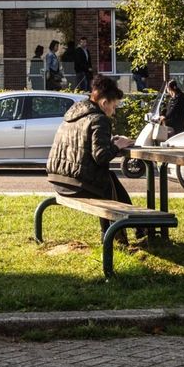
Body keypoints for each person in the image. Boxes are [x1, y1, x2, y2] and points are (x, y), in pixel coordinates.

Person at [46, 75, 137, 243]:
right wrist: (118, 146)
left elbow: (84, 146)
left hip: (58, 180)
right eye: (114, 106)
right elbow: (101, 157)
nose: (114, 111)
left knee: (109, 179)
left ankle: (136, 227)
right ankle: (119, 236)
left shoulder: (74, 113)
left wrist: (110, 142)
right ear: (104, 103)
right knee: (106, 183)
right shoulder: (99, 119)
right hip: (76, 184)